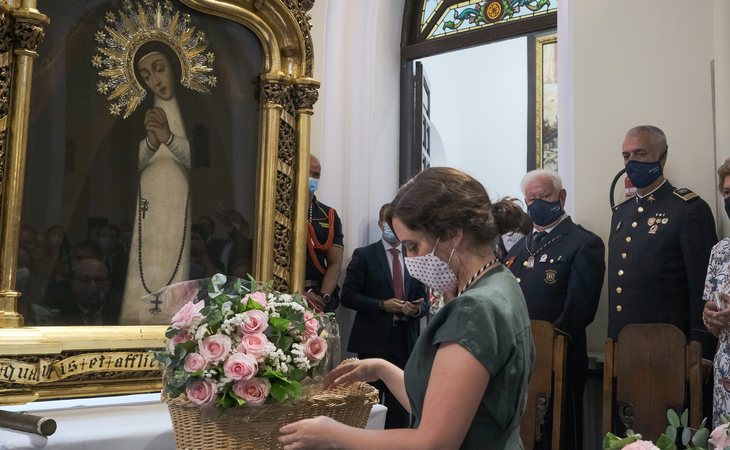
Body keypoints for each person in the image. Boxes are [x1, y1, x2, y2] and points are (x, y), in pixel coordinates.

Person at [279, 167, 535, 449]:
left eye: (413, 246)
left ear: (452, 234)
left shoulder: (473, 310)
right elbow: (442, 404)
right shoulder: (501, 282)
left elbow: (433, 441)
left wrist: (331, 433)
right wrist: (383, 369)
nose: (410, 258)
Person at [607, 125, 718, 421]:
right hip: (627, 351)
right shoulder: (622, 213)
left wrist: (702, 348)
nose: (632, 162)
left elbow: (702, 285)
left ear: (663, 156)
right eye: (626, 155)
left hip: (670, 350)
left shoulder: (688, 209)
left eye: (640, 153)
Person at [504, 169, 605, 450]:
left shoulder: (583, 242)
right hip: (518, 361)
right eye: (531, 199)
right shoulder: (518, 249)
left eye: (544, 196)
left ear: (561, 196)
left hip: (559, 358)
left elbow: (581, 307)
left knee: (559, 437)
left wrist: (548, 344)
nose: (537, 203)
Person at [120, 41, 192, 324]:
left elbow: (197, 161)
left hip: (179, 196)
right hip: (147, 197)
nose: (155, 80)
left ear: (175, 68)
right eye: (146, 75)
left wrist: (169, 138)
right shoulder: (138, 112)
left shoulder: (193, 110)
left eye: (159, 69)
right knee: (144, 258)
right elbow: (125, 163)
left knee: (176, 254)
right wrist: (151, 141)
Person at [341, 203, 429, 429]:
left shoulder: (414, 256)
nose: (393, 230)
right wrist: (382, 305)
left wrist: (415, 309)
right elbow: (348, 296)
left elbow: (425, 301)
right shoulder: (365, 255)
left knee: (401, 406)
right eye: (388, 224)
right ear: (381, 224)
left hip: (405, 340)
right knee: (368, 405)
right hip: (373, 340)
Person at [700, 158, 730, 428]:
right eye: (728, 193)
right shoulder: (720, 251)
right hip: (725, 378)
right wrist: (710, 318)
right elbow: (709, 318)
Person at [303, 155, 344, 313]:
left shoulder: (329, 215)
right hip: (285, 293)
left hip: (319, 294)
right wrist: (299, 295)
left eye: (316, 175)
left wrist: (323, 296)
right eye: (308, 173)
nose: (312, 178)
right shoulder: (279, 210)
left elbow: (335, 263)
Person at [55, 257, 120, 325]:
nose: (92, 285)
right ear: (73, 284)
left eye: (99, 280)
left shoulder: (119, 311)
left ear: (108, 285)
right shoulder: (60, 312)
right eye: (85, 280)